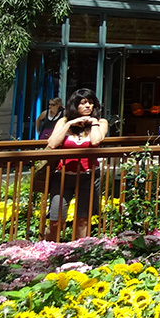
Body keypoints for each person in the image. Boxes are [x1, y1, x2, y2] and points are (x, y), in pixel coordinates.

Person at [44, 88, 108, 241]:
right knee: (55, 219)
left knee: (82, 220)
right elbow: (52, 143)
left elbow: (95, 141)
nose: (88, 106)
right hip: (63, 176)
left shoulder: (101, 122)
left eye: (91, 103)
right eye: (83, 103)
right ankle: (48, 253)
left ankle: (80, 253)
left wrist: (93, 123)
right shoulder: (64, 121)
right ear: (75, 105)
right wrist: (70, 123)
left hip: (88, 176)